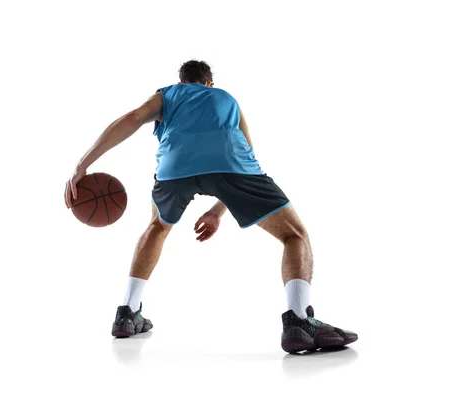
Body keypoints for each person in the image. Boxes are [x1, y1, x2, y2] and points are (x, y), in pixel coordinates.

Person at [64, 60, 357, 353]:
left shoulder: (168, 95)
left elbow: (133, 117)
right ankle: (298, 322)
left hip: (174, 168)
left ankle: (127, 312)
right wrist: (219, 209)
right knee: (295, 235)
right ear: (209, 84)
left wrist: (83, 164)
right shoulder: (227, 99)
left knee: (157, 227)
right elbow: (247, 154)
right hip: (230, 164)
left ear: (181, 81)